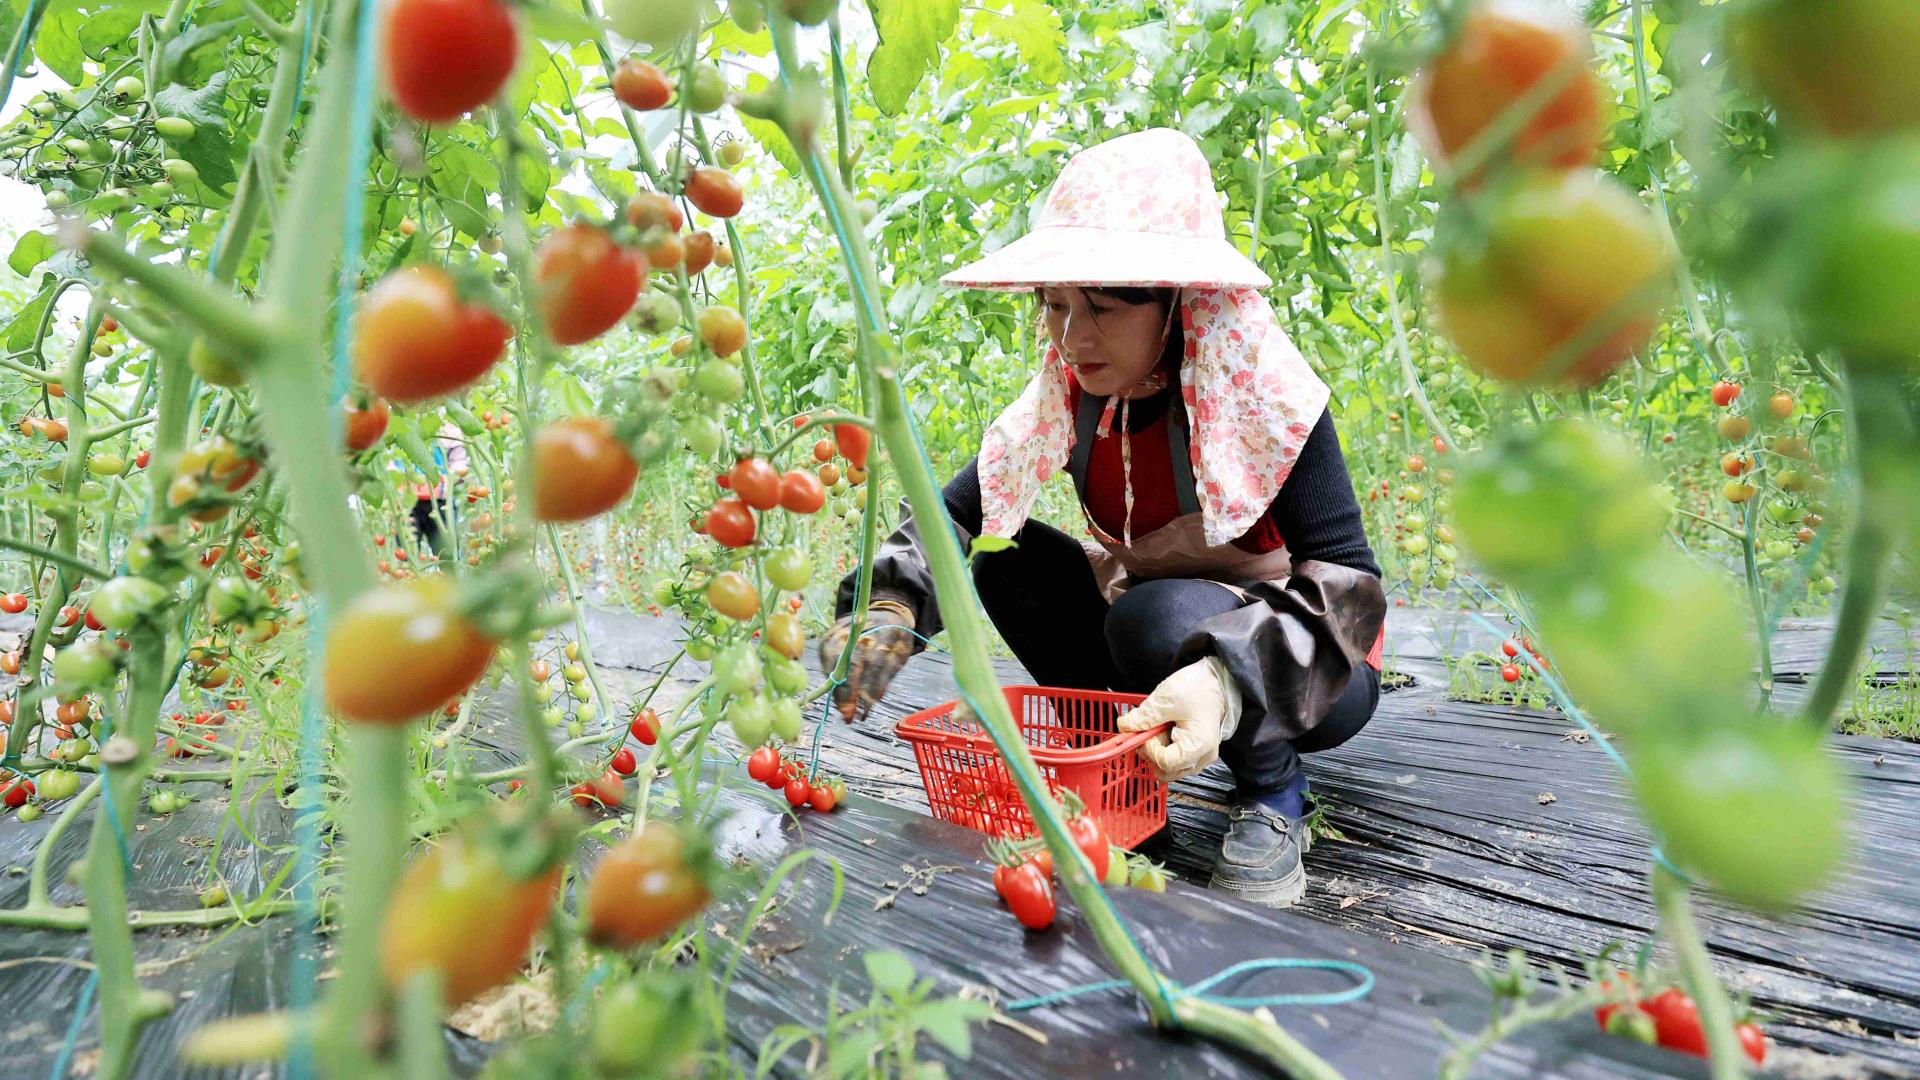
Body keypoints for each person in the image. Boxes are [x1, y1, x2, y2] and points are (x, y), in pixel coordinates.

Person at [820, 128, 1386, 908]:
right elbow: (963, 508)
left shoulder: (1264, 396)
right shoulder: (1072, 392)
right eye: (1055, 306)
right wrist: (889, 602)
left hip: (1314, 660)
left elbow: (1350, 589)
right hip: (1162, 625)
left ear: (1178, 303)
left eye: (1105, 308)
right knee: (1005, 560)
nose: (1071, 337)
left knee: (1151, 618)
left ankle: (1273, 793)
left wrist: (1225, 682)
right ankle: (1118, 781)